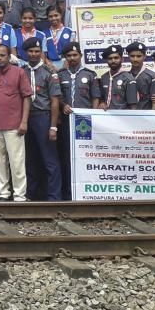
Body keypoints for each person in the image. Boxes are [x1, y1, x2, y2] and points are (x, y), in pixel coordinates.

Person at [0, 44, 32, 201]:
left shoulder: (19, 72)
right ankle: (3, 194)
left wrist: (24, 122)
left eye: (2, 55)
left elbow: (26, 97)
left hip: (14, 125)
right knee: (0, 163)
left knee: (17, 163)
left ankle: (19, 195)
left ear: (9, 55)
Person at [55, 42, 100, 200]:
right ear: (65, 58)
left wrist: (92, 115)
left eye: (75, 55)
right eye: (69, 56)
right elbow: (57, 97)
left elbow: (95, 97)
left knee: (85, 155)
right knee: (67, 157)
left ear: (80, 55)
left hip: (84, 123)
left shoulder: (90, 74)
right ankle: (69, 193)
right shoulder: (60, 75)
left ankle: (86, 191)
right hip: (66, 122)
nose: (72, 58)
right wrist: (63, 105)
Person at [20, 38, 61, 201]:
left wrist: (53, 126)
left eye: (37, 51)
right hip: (25, 117)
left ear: (41, 53)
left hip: (43, 116)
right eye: (31, 51)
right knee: (29, 158)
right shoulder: (21, 71)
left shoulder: (49, 72)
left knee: (49, 159)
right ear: (25, 53)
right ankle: (31, 194)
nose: (34, 54)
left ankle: (54, 197)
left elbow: (55, 100)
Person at [100, 45, 139, 109]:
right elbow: (102, 98)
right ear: (106, 61)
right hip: (106, 117)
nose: (113, 61)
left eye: (116, 58)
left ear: (122, 59)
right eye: (110, 58)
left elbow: (133, 106)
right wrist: (102, 102)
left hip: (123, 117)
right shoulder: (104, 77)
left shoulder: (128, 79)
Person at [125, 42, 155, 108]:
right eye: (132, 56)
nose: (135, 59)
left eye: (139, 56)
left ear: (144, 56)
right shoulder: (125, 76)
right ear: (128, 56)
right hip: (127, 116)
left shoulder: (152, 76)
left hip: (146, 116)